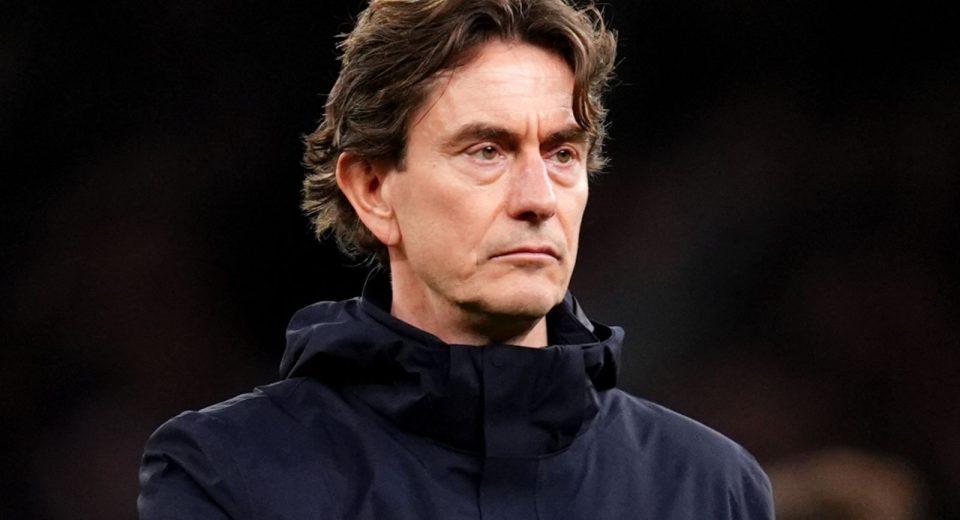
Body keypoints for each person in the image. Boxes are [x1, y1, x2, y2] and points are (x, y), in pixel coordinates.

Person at [137, 0, 774, 518]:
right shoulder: (225, 474)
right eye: (486, 150)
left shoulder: (713, 488)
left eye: (562, 153)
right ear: (373, 190)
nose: (538, 199)